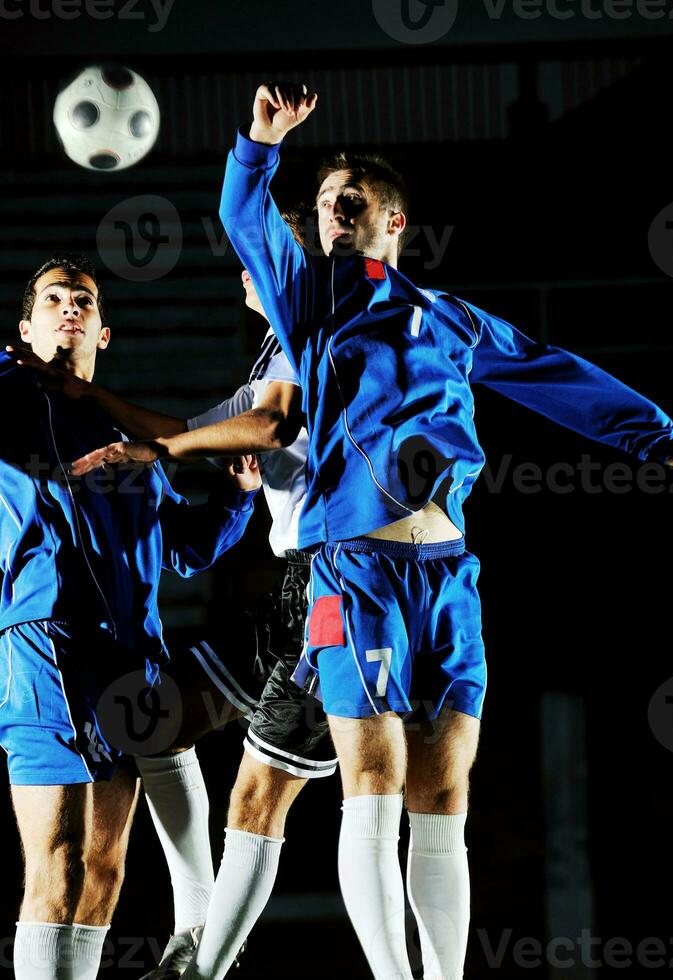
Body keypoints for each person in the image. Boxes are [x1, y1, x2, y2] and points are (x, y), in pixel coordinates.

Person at [73, 83, 673, 980]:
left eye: (352, 203)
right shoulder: (308, 306)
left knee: (445, 793)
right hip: (354, 574)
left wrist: (652, 438)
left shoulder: (449, 317)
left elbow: (551, 372)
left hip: (449, 576)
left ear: (394, 221)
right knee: (371, 786)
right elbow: (245, 218)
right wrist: (258, 145)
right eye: (321, 208)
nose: (334, 216)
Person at [13, 269, 338, 980]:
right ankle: (205, 930)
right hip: (47, 642)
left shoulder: (119, 432)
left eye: (84, 301)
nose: (69, 309)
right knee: (59, 866)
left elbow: (185, 549)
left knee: (102, 871)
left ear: (103, 333)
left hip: (134, 653)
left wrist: (234, 493)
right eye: (52, 301)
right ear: (26, 331)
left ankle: (197, 932)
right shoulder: (9, 400)